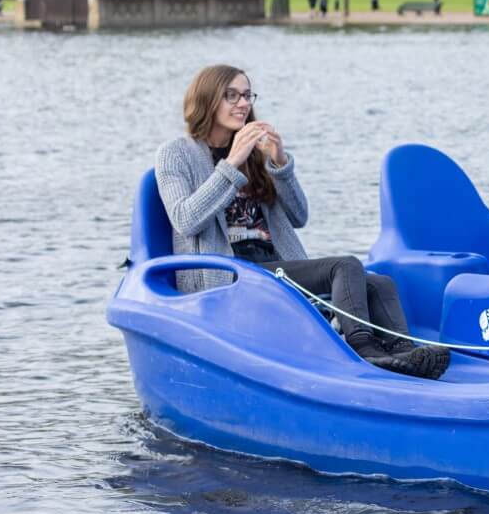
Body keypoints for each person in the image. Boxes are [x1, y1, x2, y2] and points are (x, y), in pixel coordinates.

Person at [155, 65, 451, 379]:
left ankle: (404, 353)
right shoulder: (176, 153)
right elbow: (185, 219)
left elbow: (299, 216)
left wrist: (279, 163)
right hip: (229, 274)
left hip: (273, 266)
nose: (243, 103)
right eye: (231, 96)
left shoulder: (254, 155)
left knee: (378, 283)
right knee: (345, 265)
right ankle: (363, 350)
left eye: (246, 95)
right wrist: (232, 163)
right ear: (207, 99)